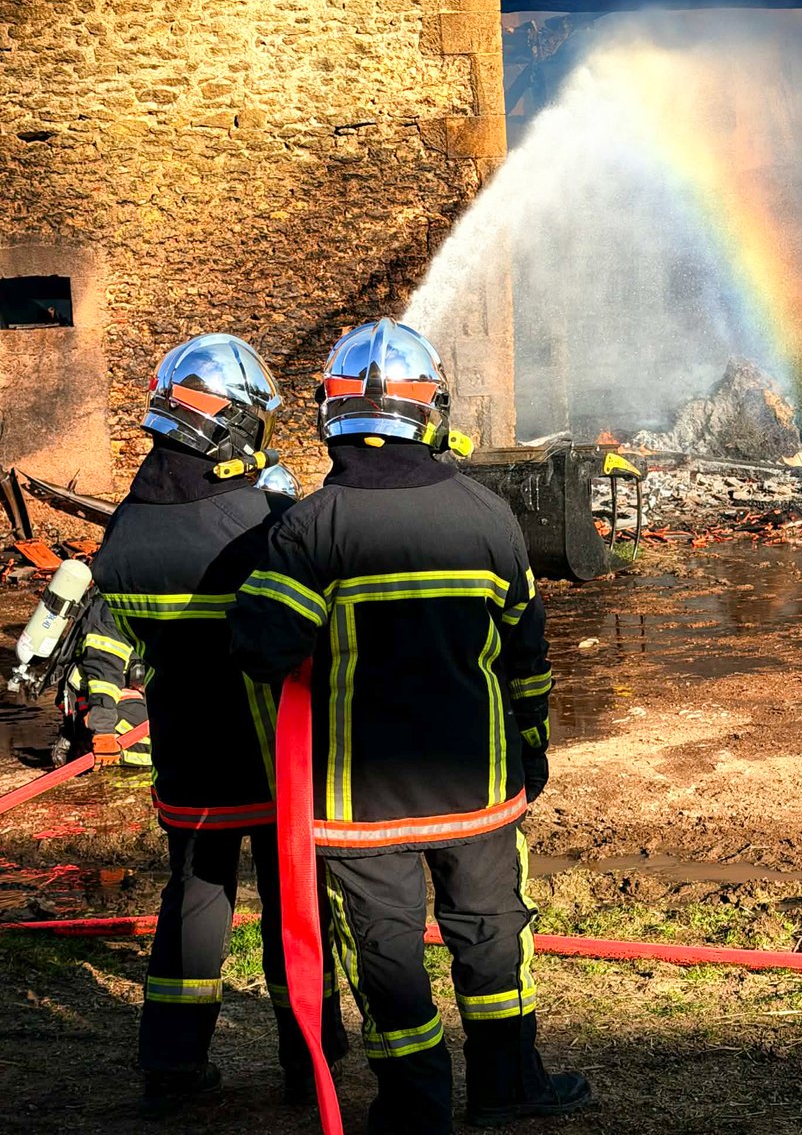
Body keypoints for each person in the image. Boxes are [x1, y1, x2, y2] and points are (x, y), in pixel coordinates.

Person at [230, 318, 592, 1134]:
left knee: (386, 952)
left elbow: (260, 648)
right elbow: (527, 658)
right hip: (480, 789)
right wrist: (530, 746)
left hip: (359, 808)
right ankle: (508, 1083)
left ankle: (416, 1106)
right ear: (433, 411)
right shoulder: (491, 520)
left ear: (332, 413)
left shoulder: (310, 527)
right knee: (493, 933)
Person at [91, 333, 345, 1119]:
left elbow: (115, 639)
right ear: (235, 424)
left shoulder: (128, 527)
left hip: (186, 753)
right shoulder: (261, 518)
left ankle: (172, 1067)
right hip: (275, 755)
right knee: (293, 907)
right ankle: (310, 1063)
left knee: (195, 898)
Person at [51, 587, 151, 770]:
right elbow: (103, 672)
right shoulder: (112, 608)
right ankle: (84, 741)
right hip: (102, 704)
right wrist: (103, 731)